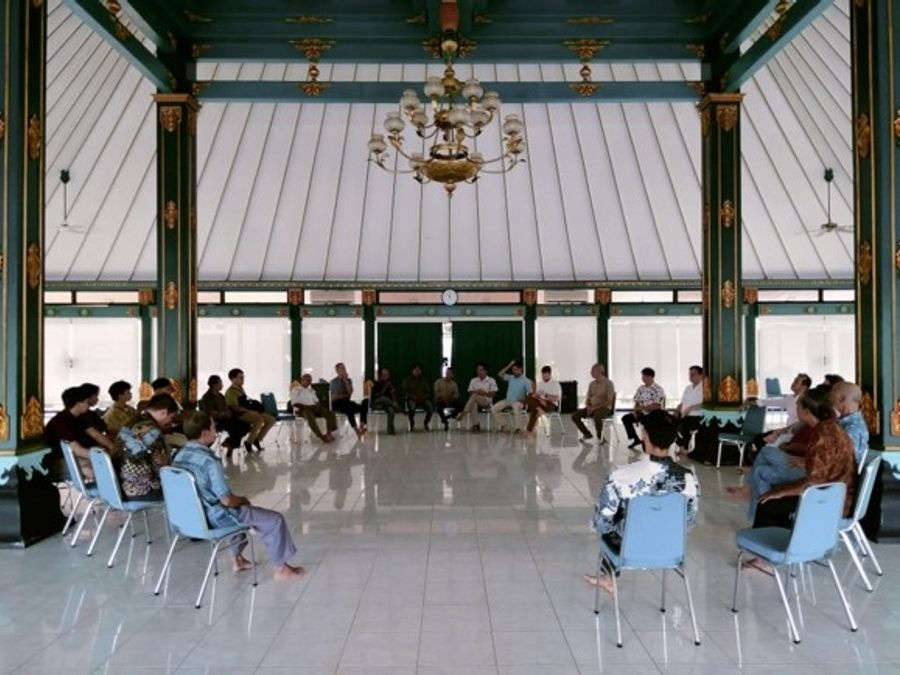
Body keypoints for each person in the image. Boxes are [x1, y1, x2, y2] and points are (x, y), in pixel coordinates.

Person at [173, 411, 305, 580]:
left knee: (238, 513)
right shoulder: (209, 462)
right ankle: (282, 569)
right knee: (274, 520)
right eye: (214, 429)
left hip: (189, 518)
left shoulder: (178, 457)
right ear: (204, 433)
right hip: (214, 517)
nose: (217, 433)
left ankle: (238, 559)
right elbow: (227, 500)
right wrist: (244, 500)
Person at [584, 410, 700, 592]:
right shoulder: (690, 478)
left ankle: (609, 576)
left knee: (610, 524)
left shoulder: (620, 476)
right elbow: (690, 520)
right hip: (671, 550)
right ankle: (608, 576)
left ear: (644, 434)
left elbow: (601, 522)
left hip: (629, 551)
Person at [751, 391, 857, 533]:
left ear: (806, 411)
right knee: (769, 488)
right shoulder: (829, 427)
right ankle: (778, 541)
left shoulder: (822, 434)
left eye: (799, 405)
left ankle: (767, 551)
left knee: (769, 502)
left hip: (830, 499)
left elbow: (815, 482)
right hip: (830, 490)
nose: (796, 406)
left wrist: (782, 492)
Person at [113, 393, 179, 500]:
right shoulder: (154, 432)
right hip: (142, 490)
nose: (171, 422)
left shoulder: (131, 423)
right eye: (171, 417)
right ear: (164, 412)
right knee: (186, 489)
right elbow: (162, 470)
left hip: (119, 485)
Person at [44, 386, 96, 480]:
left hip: (72, 457)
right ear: (78, 403)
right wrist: (103, 457)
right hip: (58, 461)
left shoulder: (78, 418)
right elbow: (78, 450)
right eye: (87, 402)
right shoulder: (61, 422)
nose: (89, 405)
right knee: (101, 466)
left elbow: (94, 434)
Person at [752, 373, 812, 452]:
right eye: (794, 381)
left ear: (804, 387)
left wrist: (781, 431)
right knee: (758, 438)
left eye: (796, 382)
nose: (793, 383)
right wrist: (754, 402)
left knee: (762, 442)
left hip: (794, 432)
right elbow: (773, 402)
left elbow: (803, 422)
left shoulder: (806, 401)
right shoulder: (790, 398)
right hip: (786, 430)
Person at [225, 368, 276, 452]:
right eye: (240, 378)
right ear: (233, 379)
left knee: (271, 420)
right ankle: (248, 442)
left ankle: (257, 439)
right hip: (240, 414)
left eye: (243, 377)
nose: (242, 380)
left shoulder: (240, 389)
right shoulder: (231, 392)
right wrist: (249, 411)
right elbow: (234, 407)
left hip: (248, 411)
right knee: (258, 419)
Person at [199, 375, 250, 457]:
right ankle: (231, 445)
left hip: (226, 418)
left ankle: (229, 443)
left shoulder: (221, 396)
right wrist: (221, 414)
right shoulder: (207, 397)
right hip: (216, 420)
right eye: (220, 383)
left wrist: (228, 412)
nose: (222, 385)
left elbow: (226, 407)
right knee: (235, 426)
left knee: (246, 424)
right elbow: (209, 413)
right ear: (214, 385)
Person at [621, 367, 665, 449]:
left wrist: (641, 408)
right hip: (641, 413)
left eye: (644, 376)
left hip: (654, 414)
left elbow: (656, 406)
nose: (642, 378)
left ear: (650, 377)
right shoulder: (641, 388)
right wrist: (635, 411)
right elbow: (637, 401)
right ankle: (635, 439)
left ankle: (652, 441)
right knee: (626, 418)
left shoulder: (658, 389)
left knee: (648, 421)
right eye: (642, 376)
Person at [572, 364, 616, 441]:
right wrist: (588, 406)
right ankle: (587, 434)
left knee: (597, 416)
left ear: (600, 372)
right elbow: (588, 398)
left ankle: (600, 436)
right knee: (575, 416)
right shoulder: (592, 384)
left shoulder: (609, 384)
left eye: (593, 371)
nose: (591, 372)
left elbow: (609, 401)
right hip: (592, 407)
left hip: (604, 408)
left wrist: (594, 408)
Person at [290, 374, 337, 442]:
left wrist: (317, 407)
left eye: (310, 381)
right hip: (302, 410)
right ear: (302, 380)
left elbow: (317, 401)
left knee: (330, 413)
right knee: (309, 416)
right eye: (308, 380)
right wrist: (308, 407)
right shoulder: (296, 389)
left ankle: (329, 433)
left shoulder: (311, 390)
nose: (310, 382)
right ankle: (321, 436)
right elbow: (294, 403)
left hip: (314, 408)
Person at [831, 381, 869, 464]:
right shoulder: (850, 422)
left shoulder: (852, 428)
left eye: (833, 398)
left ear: (841, 399)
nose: (831, 402)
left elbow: (843, 461)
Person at [330, 362, 368, 438]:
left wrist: (346, 382)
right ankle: (356, 429)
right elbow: (334, 396)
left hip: (347, 401)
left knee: (365, 403)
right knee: (349, 408)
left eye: (344, 368)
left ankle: (362, 424)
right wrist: (344, 394)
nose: (343, 370)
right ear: (337, 370)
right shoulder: (334, 382)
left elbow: (350, 393)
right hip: (337, 403)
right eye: (341, 368)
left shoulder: (348, 380)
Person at [492, 360, 532, 432]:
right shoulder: (511, 377)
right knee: (494, 408)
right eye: (513, 370)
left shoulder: (526, 381)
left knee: (516, 406)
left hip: (519, 402)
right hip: (508, 400)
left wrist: (524, 401)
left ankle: (518, 428)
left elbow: (530, 393)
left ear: (520, 369)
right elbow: (500, 374)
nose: (514, 371)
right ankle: (503, 424)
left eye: (515, 369)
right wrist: (509, 365)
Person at [457, 363, 498, 432]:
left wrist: (484, 393)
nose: (479, 371)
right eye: (478, 370)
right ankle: (476, 425)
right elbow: (470, 392)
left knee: (474, 397)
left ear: (486, 371)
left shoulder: (491, 380)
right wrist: (477, 392)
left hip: (486, 400)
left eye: (481, 370)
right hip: (474, 399)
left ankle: (464, 412)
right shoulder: (473, 380)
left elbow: (493, 394)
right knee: (474, 402)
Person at [674, 366, 704, 450]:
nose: (690, 376)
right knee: (670, 422)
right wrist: (677, 410)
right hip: (684, 414)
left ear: (701, 375)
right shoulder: (688, 388)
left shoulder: (705, 388)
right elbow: (683, 402)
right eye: (689, 374)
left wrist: (690, 409)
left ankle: (684, 448)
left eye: (693, 374)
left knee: (683, 424)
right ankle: (681, 446)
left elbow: (705, 404)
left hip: (697, 416)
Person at [78, 383, 115, 452]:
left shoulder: (92, 414)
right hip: (90, 449)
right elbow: (95, 434)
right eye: (95, 395)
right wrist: (111, 445)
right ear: (88, 397)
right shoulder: (83, 416)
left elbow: (106, 429)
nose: (97, 399)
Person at [525, 365, 561, 435]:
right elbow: (536, 395)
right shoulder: (540, 383)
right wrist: (536, 396)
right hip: (540, 403)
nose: (544, 377)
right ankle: (538, 408)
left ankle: (529, 430)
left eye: (546, 376)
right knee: (529, 397)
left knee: (534, 409)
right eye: (543, 376)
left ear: (550, 374)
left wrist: (545, 396)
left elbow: (557, 398)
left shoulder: (555, 383)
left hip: (551, 404)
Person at [369, 368, 401, 435]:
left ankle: (390, 429)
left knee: (391, 411)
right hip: (376, 403)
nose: (386, 376)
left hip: (387, 404)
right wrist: (385, 387)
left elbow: (393, 395)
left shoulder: (390, 383)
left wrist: (394, 400)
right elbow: (377, 396)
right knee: (384, 398)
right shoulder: (375, 383)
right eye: (384, 375)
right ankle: (397, 408)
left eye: (387, 375)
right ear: (380, 375)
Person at [403, 364, 434, 431]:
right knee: (412, 408)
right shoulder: (408, 380)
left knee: (430, 408)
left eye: (418, 370)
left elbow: (428, 392)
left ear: (421, 371)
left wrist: (423, 397)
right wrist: (413, 397)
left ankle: (426, 423)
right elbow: (405, 392)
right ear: (413, 371)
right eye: (415, 370)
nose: (417, 371)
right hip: (412, 399)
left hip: (422, 399)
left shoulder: (424, 380)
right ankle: (412, 423)